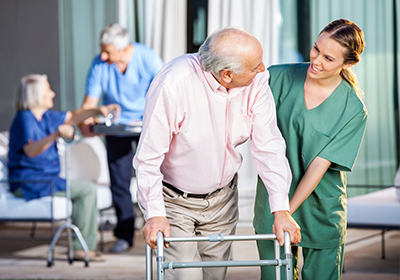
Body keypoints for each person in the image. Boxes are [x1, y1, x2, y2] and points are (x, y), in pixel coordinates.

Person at [133, 27, 301, 280]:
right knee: (185, 276)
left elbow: (269, 147)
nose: (263, 69)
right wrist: (155, 214)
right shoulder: (173, 84)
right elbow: (148, 157)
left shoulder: (256, 81)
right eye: (256, 65)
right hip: (175, 200)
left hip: (223, 199)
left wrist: (281, 210)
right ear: (227, 74)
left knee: (216, 276)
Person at [253, 19, 367, 280]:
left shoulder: (353, 109)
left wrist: (286, 212)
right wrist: (278, 211)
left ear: (347, 64)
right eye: (316, 49)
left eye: (328, 58)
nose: (316, 60)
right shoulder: (277, 78)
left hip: (321, 208)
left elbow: (319, 164)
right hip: (273, 202)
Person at [8, 74, 121, 261]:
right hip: (29, 182)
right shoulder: (24, 120)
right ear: (37, 95)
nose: (52, 94)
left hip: (47, 180)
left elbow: (73, 116)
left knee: (86, 188)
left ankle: (82, 245)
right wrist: (53, 136)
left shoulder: (46, 116)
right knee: (86, 189)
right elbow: (30, 151)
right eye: (48, 90)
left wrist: (97, 111)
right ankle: (80, 248)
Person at [79, 23, 164, 253]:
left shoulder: (147, 58)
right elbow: (89, 104)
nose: (103, 55)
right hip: (117, 128)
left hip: (148, 125)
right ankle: (125, 234)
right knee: (119, 181)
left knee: (161, 176)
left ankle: (166, 230)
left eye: (108, 51)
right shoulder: (99, 64)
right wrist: (85, 122)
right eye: (102, 50)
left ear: (125, 48)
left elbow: (167, 93)